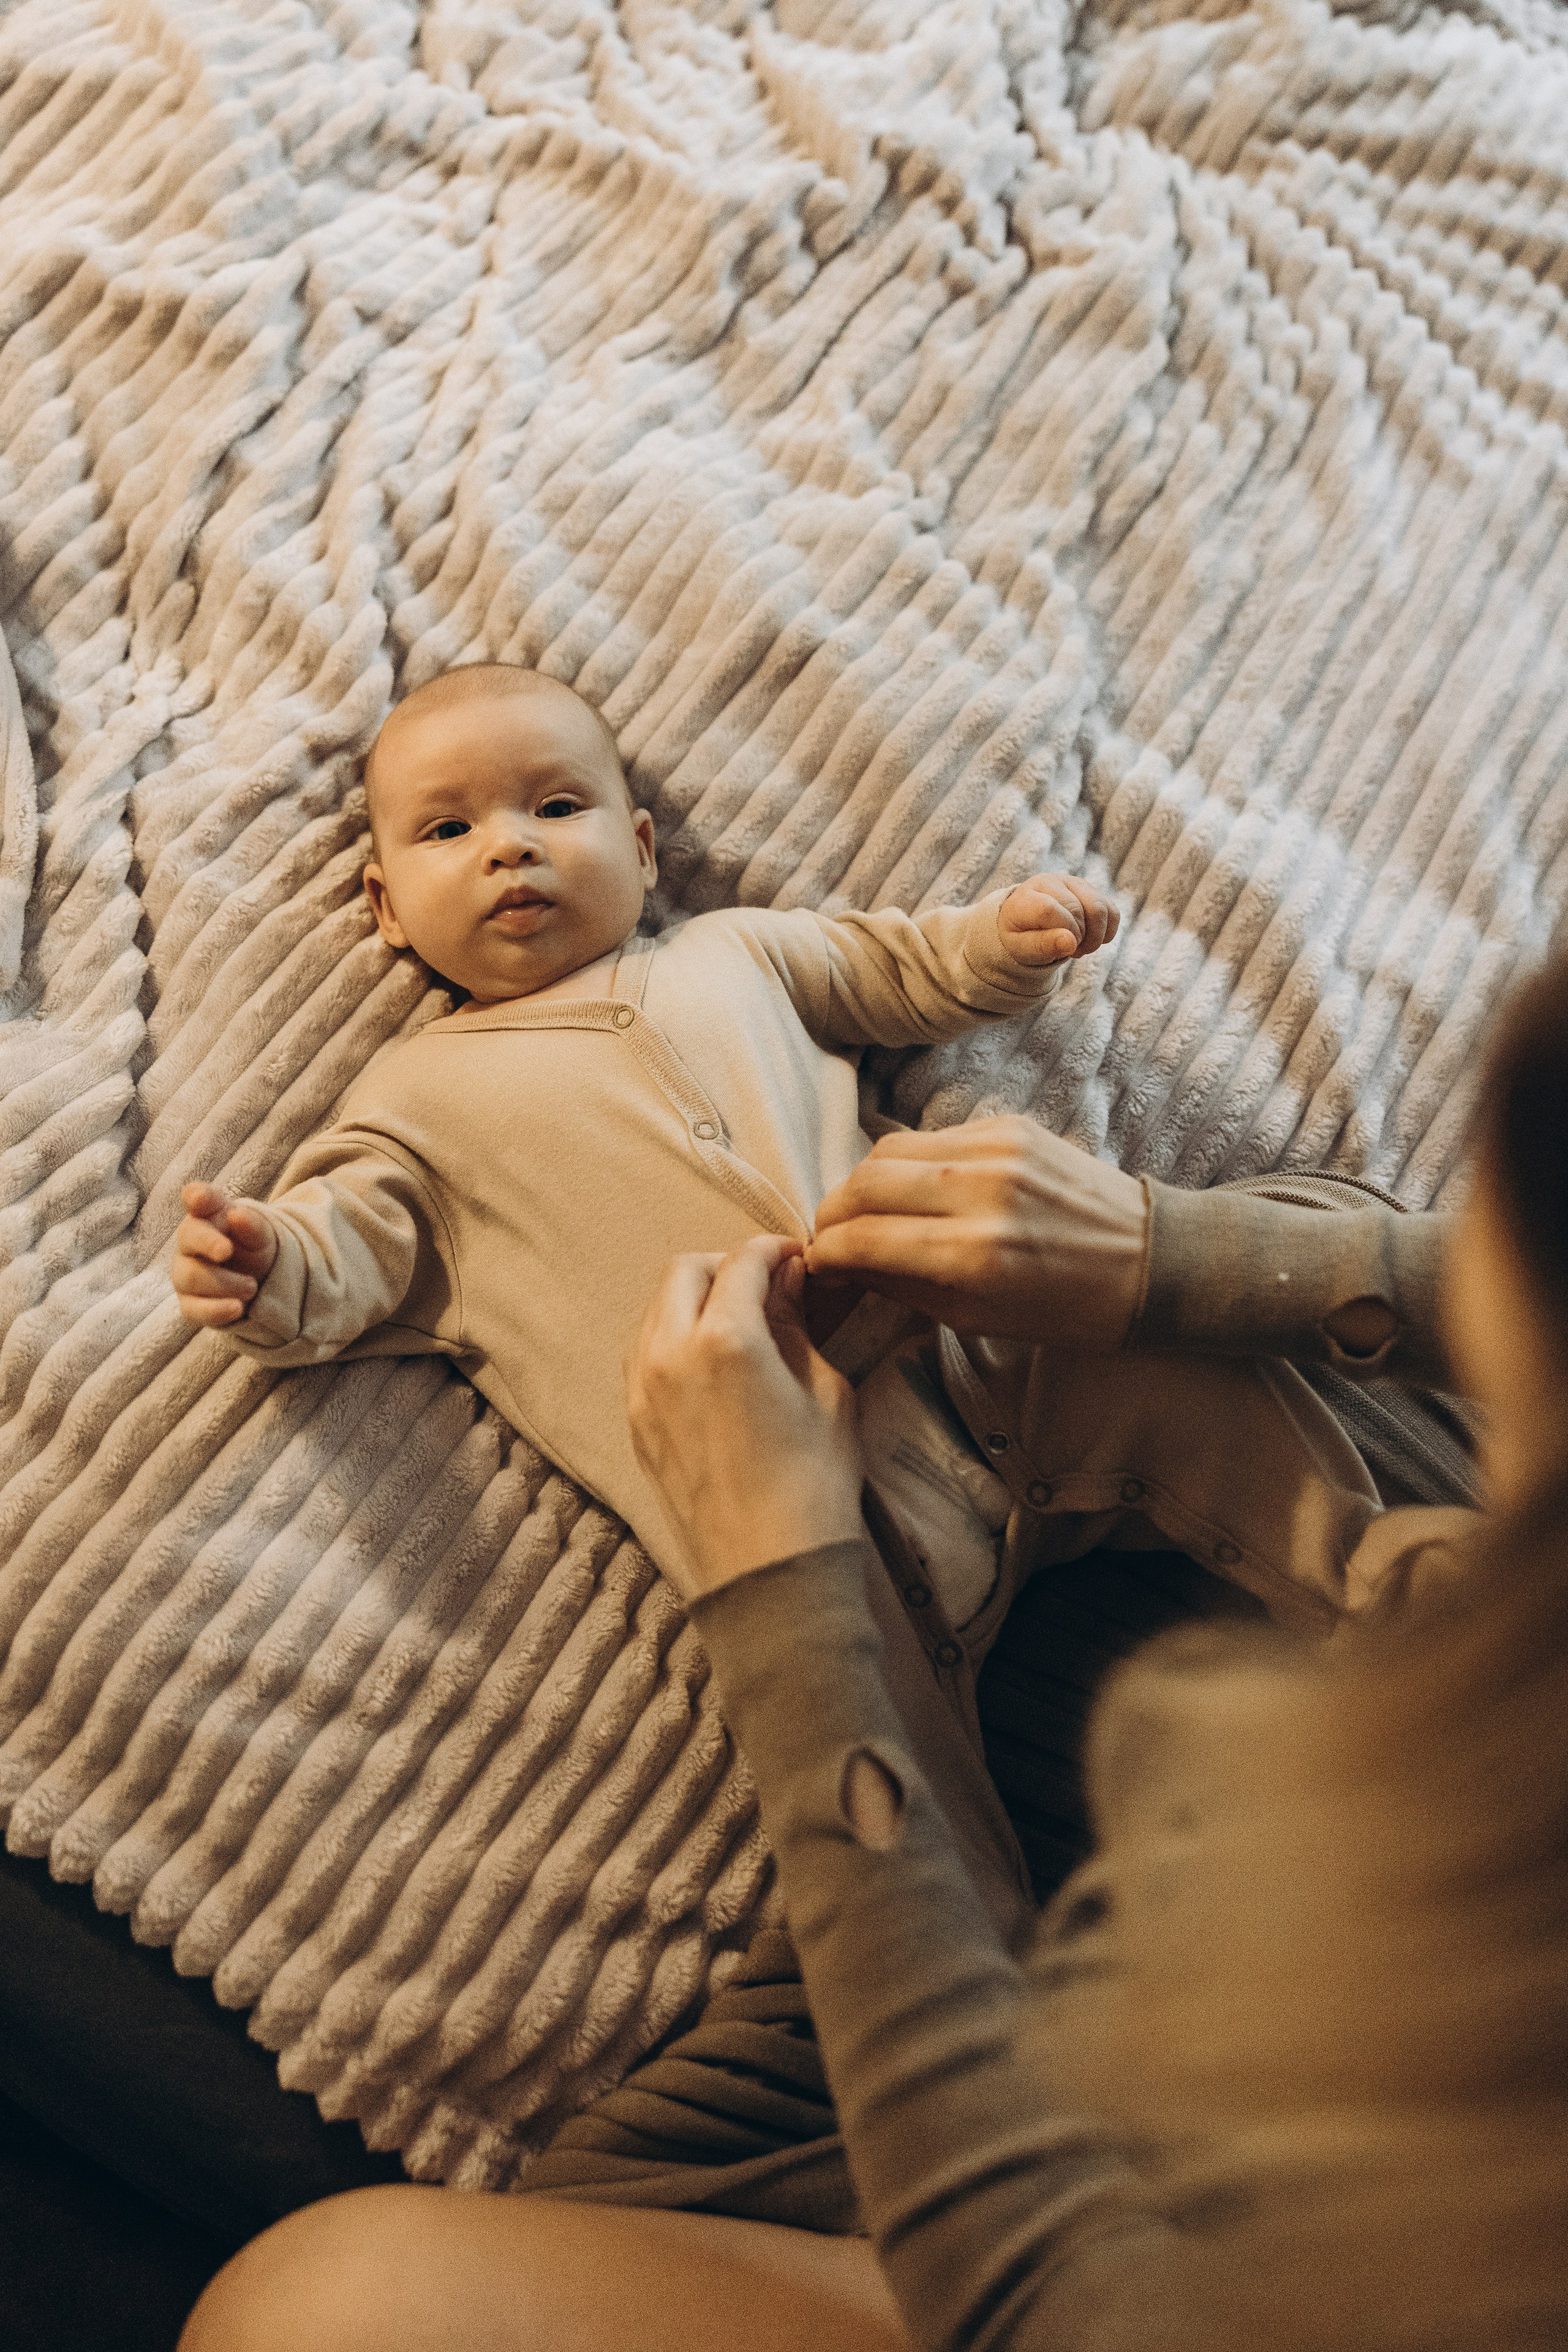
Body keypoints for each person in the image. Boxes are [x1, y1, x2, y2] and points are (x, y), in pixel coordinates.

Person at [176, 943, 1568, 2350]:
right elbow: (343, 1247)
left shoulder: (713, 961)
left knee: (334, 2314)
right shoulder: (413, 1099)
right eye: (450, 824)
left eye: (551, 807)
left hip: (1140, 2241)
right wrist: (1176, 1256)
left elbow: (1046, 2304)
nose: (509, 854)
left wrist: (777, 1583)